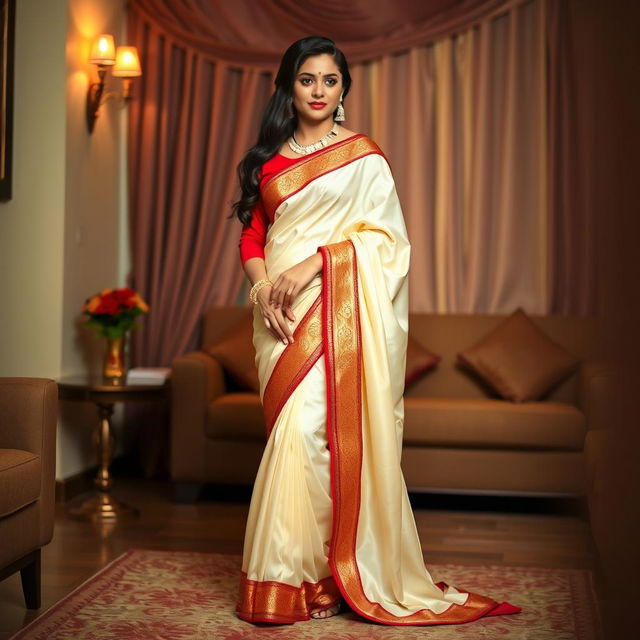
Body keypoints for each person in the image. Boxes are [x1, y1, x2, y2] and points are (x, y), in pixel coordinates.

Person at [232, 35, 521, 625]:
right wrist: (263, 290)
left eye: (330, 81)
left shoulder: (362, 157)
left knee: (310, 436)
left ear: (343, 91)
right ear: (290, 85)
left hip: (332, 307)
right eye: (307, 79)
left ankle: (303, 580)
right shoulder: (268, 159)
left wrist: (319, 262)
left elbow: (389, 242)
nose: (318, 91)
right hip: (276, 317)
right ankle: (308, 577)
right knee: (292, 435)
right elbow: (253, 234)